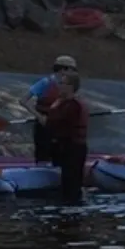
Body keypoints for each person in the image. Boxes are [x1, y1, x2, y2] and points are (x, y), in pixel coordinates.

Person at [40, 71, 88, 201]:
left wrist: (43, 116)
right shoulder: (63, 103)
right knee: (67, 184)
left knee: (71, 185)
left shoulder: (73, 105)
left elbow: (56, 124)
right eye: (60, 83)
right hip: (66, 148)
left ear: (71, 86)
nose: (59, 86)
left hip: (73, 148)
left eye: (62, 83)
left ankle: (72, 208)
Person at [22, 55, 77, 164]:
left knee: (58, 155)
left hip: (59, 125)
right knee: (43, 155)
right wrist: (40, 117)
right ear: (63, 69)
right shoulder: (45, 83)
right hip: (44, 124)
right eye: (72, 70)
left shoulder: (67, 86)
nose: (73, 73)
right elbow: (23, 100)